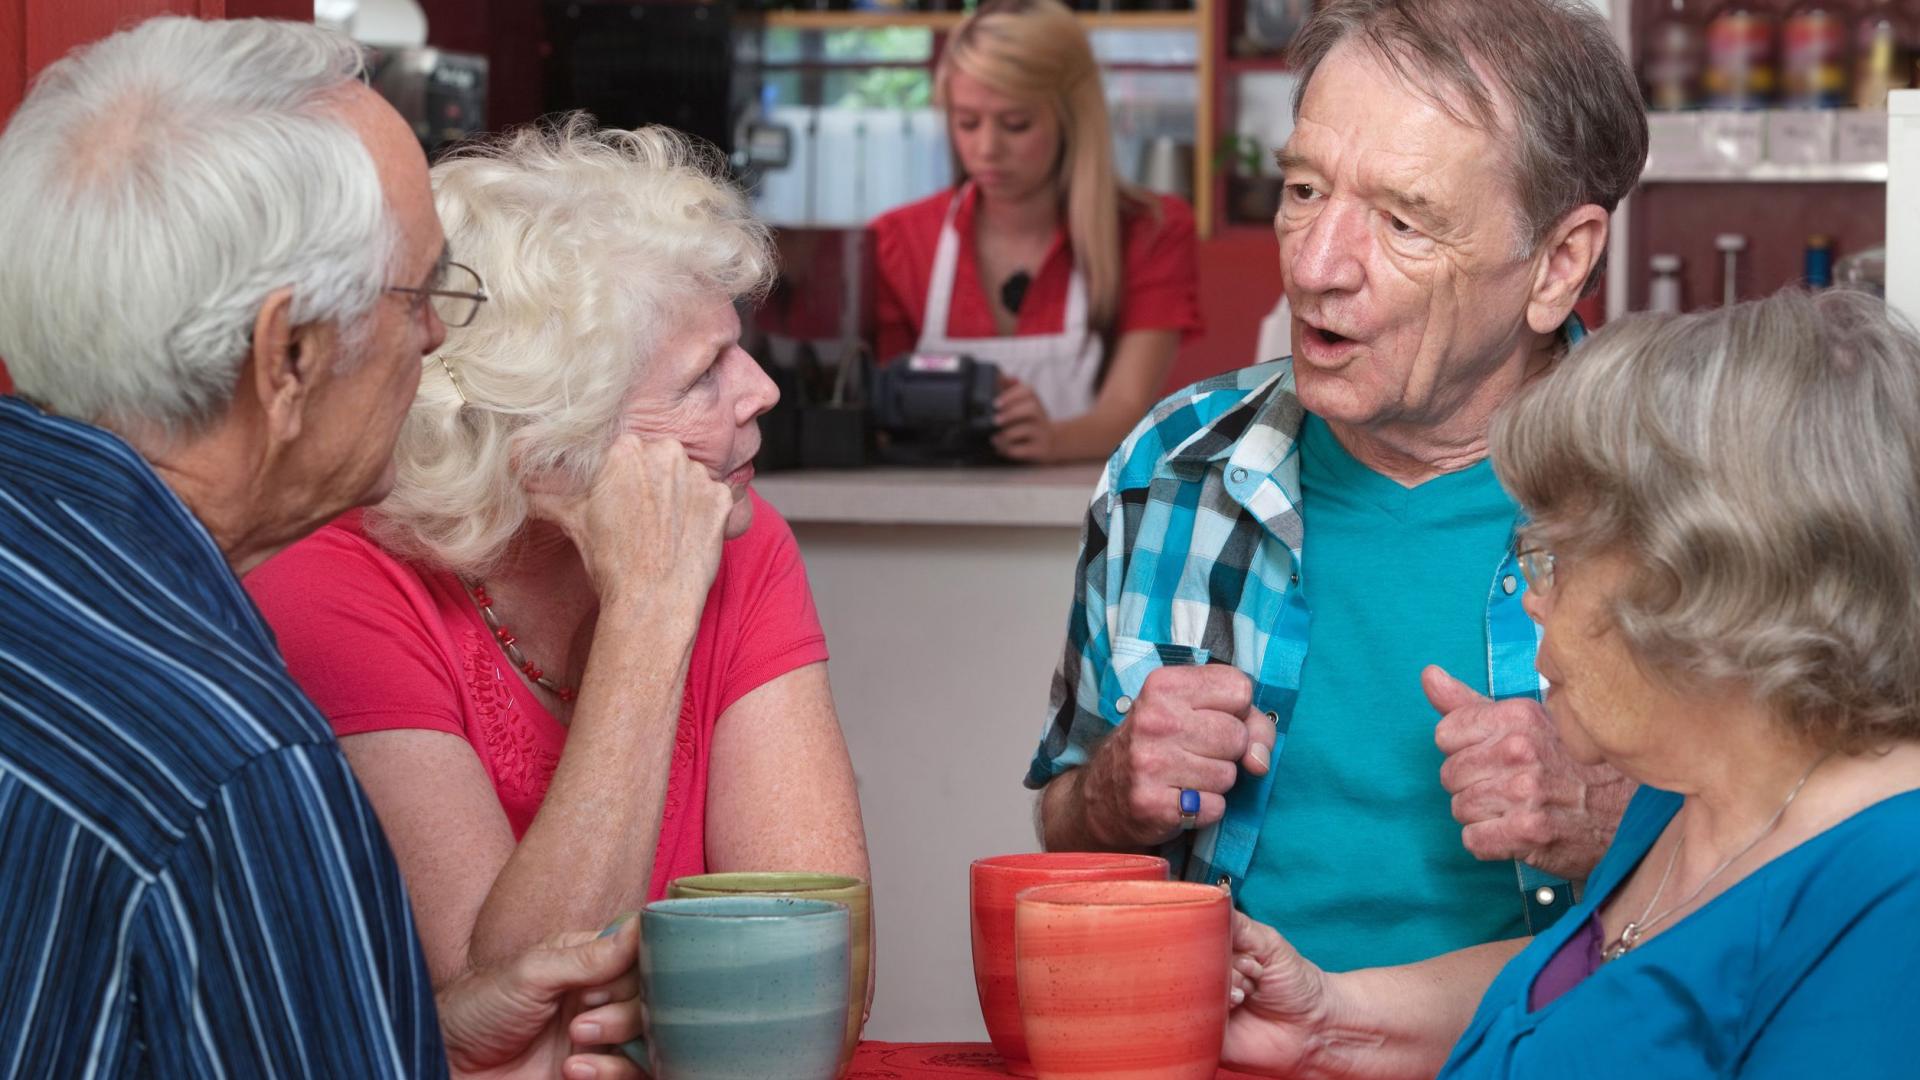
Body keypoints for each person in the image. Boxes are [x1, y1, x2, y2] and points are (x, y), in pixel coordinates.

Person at [0, 17, 642, 1079]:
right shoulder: (235, 766)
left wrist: (426, 1049)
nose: (441, 336)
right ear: (288, 356)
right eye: (422, 292)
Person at [1027, 0, 1649, 972]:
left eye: (1404, 220)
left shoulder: (1686, 503)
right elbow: (1065, 827)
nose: (1315, 267)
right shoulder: (1171, 470)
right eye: (1307, 190)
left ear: (1557, 264)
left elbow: (1842, 877)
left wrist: (1619, 818)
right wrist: (1115, 790)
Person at [1221, 287, 1920, 1079]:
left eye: (1556, 556)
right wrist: (1329, 1024)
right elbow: (1589, 1003)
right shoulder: (1684, 796)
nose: (1535, 597)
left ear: (1711, 584)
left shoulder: (1894, 889)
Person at [243, 117, 872, 991]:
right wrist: (649, 616)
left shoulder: (738, 531)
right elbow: (502, 1011)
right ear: (545, 448)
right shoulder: (335, 584)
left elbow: (811, 968)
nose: (762, 390)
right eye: (704, 374)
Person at [869, 0, 1202, 464]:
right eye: (967, 122)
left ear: (1071, 118)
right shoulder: (897, 241)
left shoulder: (1151, 232)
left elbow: (1126, 410)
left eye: (1016, 124)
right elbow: (878, 410)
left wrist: (1056, 440)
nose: (986, 148)